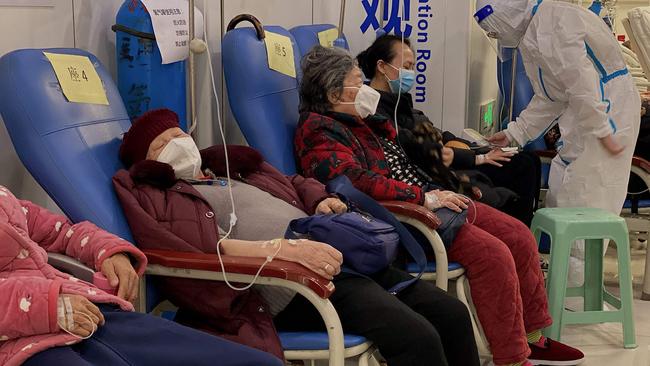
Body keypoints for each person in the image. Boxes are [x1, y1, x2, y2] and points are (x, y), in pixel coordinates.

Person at [112, 108, 480, 366]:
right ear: (147, 162)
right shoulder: (158, 196)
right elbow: (189, 248)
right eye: (162, 145)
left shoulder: (230, 168)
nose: (179, 145)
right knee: (417, 338)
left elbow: (294, 182)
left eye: (179, 135)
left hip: (338, 253)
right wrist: (284, 251)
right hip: (288, 283)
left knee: (450, 312)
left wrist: (320, 201)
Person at [294, 45, 585, 366]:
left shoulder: (365, 120)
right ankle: (513, 358)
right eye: (357, 82)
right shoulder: (318, 130)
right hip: (403, 216)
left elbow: (412, 149)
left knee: (518, 235)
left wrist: (441, 182)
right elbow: (351, 182)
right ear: (336, 94)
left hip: (430, 198)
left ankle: (533, 338)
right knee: (493, 255)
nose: (365, 89)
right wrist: (423, 198)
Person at [0, 185, 284, 366]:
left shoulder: (5, 200)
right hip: (23, 345)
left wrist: (109, 251)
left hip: (91, 314)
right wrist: (48, 307)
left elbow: (62, 231)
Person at [474, 0, 641, 283]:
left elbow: (583, 87)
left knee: (588, 200)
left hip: (608, 113)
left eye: (493, 30)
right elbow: (551, 97)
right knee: (563, 195)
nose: (495, 36)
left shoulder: (553, 23)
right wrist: (516, 132)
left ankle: (576, 293)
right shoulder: (535, 30)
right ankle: (562, 285)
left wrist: (603, 131)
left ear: (504, 13)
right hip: (588, 116)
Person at [359, 35, 542, 225]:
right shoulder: (374, 110)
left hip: (446, 156)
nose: (411, 73)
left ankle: (529, 234)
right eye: (406, 67)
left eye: (413, 67)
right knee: (522, 166)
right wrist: (479, 157)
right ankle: (521, 236)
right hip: (435, 168)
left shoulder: (400, 101)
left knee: (531, 159)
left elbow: (432, 131)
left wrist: (474, 146)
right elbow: (419, 149)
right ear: (381, 66)